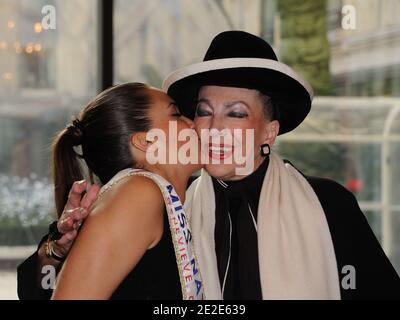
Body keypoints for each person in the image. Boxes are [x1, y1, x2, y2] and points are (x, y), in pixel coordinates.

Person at [18, 31, 400, 300]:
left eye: (235, 114)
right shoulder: (165, 207)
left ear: (269, 132)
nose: (214, 128)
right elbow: (48, 288)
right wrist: (56, 249)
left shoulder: (328, 205)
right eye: (202, 112)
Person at [21, 82, 204, 300]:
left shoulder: (173, 197)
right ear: (145, 141)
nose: (193, 123)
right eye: (176, 114)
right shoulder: (138, 194)